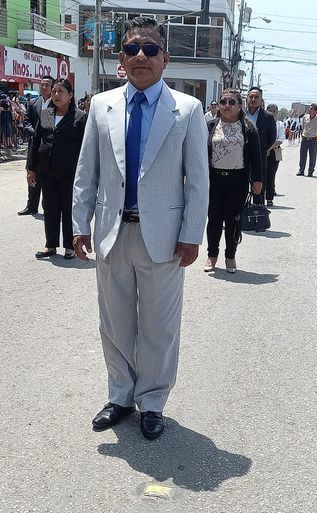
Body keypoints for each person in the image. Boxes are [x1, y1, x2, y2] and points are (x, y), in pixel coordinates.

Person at [71, 16, 208, 440]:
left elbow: (197, 180)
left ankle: (152, 401)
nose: (141, 56)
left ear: (165, 58)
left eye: (150, 49)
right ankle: (120, 396)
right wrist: (79, 224)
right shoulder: (101, 106)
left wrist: (191, 234)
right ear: (122, 57)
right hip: (112, 233)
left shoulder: (187, 110)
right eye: (133, 49)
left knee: (158, 327)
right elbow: (86, 172)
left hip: (163, 238)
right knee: (114, 324)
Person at [203, 89, 263, 273]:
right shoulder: (210, 125)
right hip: (214, 180)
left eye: (231, 102)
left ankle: (230, 256)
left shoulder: (248, 128)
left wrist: (257, 180)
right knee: (214, 219)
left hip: (238, 181)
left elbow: (256, 156)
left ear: (239, 106)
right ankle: (212, 255)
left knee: (233, 220)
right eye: (223, 102)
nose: (226, 106)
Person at [27, 78, 87, 260]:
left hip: (70, 172)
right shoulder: (45, 114)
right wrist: (31, 168)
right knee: (50, 208)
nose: (56, 95)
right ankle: (50, 244)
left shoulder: (80, 117)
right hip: (47, 170)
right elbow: (35, 141)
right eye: (54, 91)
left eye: (61, 91)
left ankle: (70, 246)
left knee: (68, 209)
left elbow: (86, 147)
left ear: (70, 95)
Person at [19, 75, 53, 216]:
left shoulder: (57, 103)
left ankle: (49, 207)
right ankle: (31, 206)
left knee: (48, 178)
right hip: (34, 145)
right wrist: (34, 133)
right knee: (32, 173)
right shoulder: (33, 103)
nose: (44, 87)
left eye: (47, 85)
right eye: (42, 84)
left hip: (49, 146)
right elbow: (26, 120)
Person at [244, 87, 274, 204]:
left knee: (259, 190)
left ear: (261, 100)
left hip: (260, 158)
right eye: (251, 96)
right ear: (247, 99)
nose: (253, 99)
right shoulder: (240, 114)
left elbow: (272, 137)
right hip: (241, 157)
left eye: (256, 97)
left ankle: (258, 211)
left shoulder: (268, 116)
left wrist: (262, 150)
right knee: (241, 189)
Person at [265, 103, 286, 206]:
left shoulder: (280, 124)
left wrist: (269, 149)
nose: (272, 113)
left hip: (274, 151)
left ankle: (269, 197)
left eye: (274, 111)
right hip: (262, 151)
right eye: (270, 111)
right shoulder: (263, 123)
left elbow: (280, 139)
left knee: (271, 175)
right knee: (261, 174)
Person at [297, 104, 317, 176]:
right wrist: (303, 134)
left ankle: (310, 171)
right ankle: (301, 170)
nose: (309, 110)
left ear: (315, 111)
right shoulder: (305, 117)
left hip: (313, 140)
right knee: (302, 155)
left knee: (312, 156)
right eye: (309, 108)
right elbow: (303, 127)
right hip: (305, 139)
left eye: (311, 109)